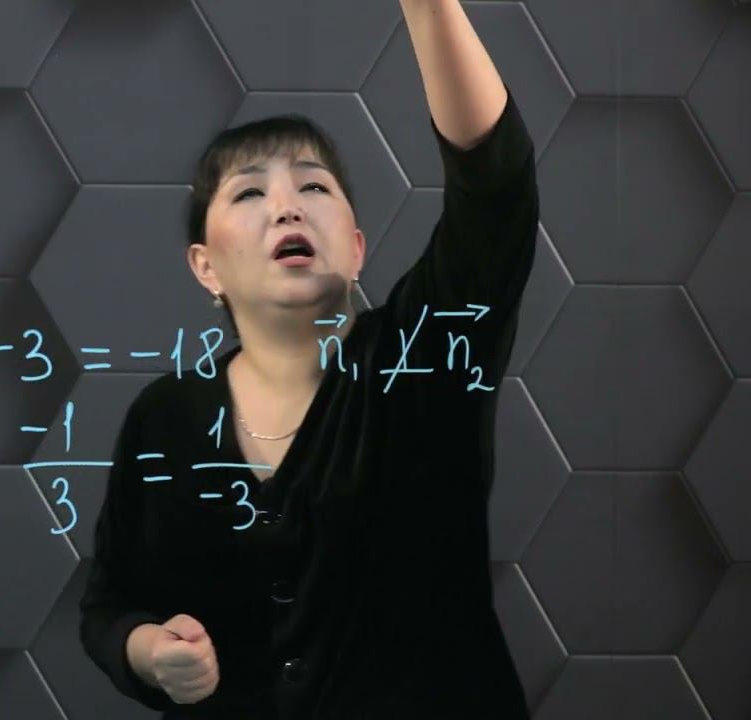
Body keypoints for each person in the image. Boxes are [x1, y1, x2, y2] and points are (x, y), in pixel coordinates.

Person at [79, 1, 539, 718]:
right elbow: (109, 605)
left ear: (355, 248)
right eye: (249, 192)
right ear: (206, 267)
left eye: (314, 186)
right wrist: (148, 652)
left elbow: (495, 185)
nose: (287, 208)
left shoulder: (423, 360)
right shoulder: (164, 417)